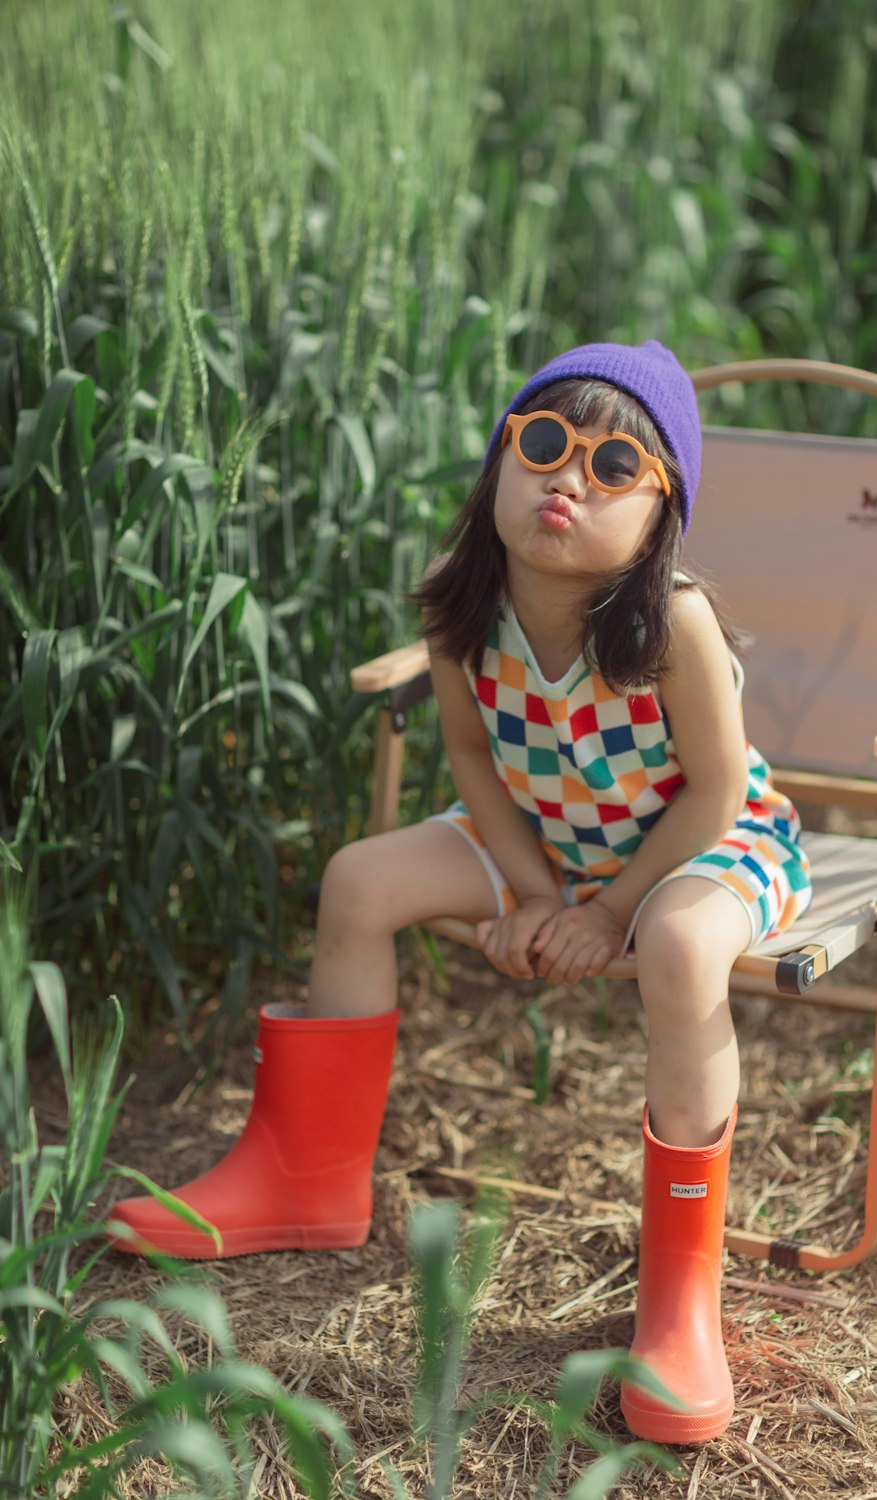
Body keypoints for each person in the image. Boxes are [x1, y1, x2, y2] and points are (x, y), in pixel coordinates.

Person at [110, 341, 811, 1445]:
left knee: (679, 954)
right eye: (542, 446)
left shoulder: (672, 624)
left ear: (662, 510)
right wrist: (534, 893)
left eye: (613, 465)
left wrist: (606, 911)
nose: (568, 481)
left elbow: (717, 794)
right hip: (539, 832)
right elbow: (473, 763)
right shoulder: (460, 609)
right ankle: (307, 1176)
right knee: (358, 880)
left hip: (696, 848)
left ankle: (681, 1296)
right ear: (498, 467)